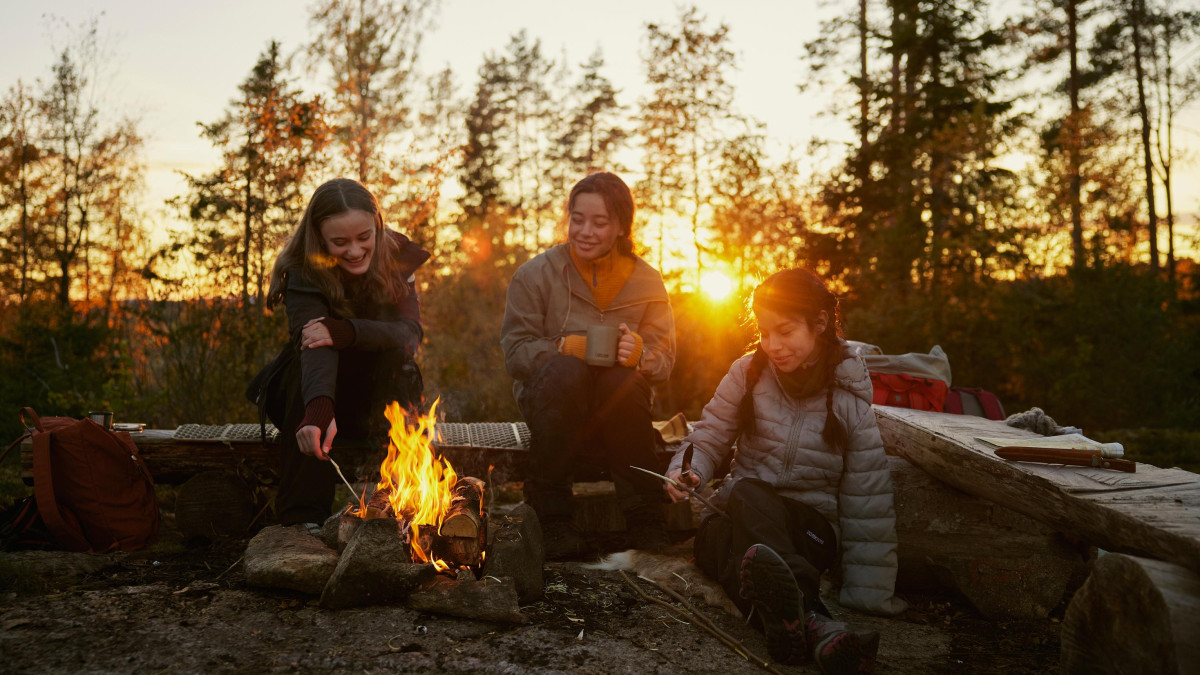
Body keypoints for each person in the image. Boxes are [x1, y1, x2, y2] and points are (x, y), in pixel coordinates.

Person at [666, 268, 906, 672]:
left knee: (744, 514)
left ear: (819, 323)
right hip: (738, 516)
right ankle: (814, 623)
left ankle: (797, 617)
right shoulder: (747, 373)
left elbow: (869, 500)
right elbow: (707, 438)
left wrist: (870, 594)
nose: (773, 345)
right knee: (728, 526)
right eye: (764, 332)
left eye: (786, 331)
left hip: (807, 532)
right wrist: (687, 472)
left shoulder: (849, 402)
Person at [501, 171, 676, 559]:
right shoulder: (536, 275)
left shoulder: (647, 281)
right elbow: (515, 353)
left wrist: (640, 354)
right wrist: (560, 346)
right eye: (577, 218)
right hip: (553, 403)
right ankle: (552, 519)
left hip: (618, 408)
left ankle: (646, 519)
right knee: (566, 370)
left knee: (622, 381)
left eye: (599, 222)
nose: (585, 231)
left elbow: (665, 359)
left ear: (620, 228)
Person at [258, 177, 430, 532]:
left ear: (377, 226)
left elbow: (410, 336)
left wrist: (345, 330)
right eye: (340, 242)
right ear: (320, 238)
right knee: (302, 365)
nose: (354, 251)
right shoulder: (304, 271)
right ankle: (301, 521)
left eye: (363, 237)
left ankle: (402, 509)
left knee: (399, 363)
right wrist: (319, 407)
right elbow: (314, 345)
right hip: (311, 397)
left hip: (378, 399)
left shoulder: (398, 257)